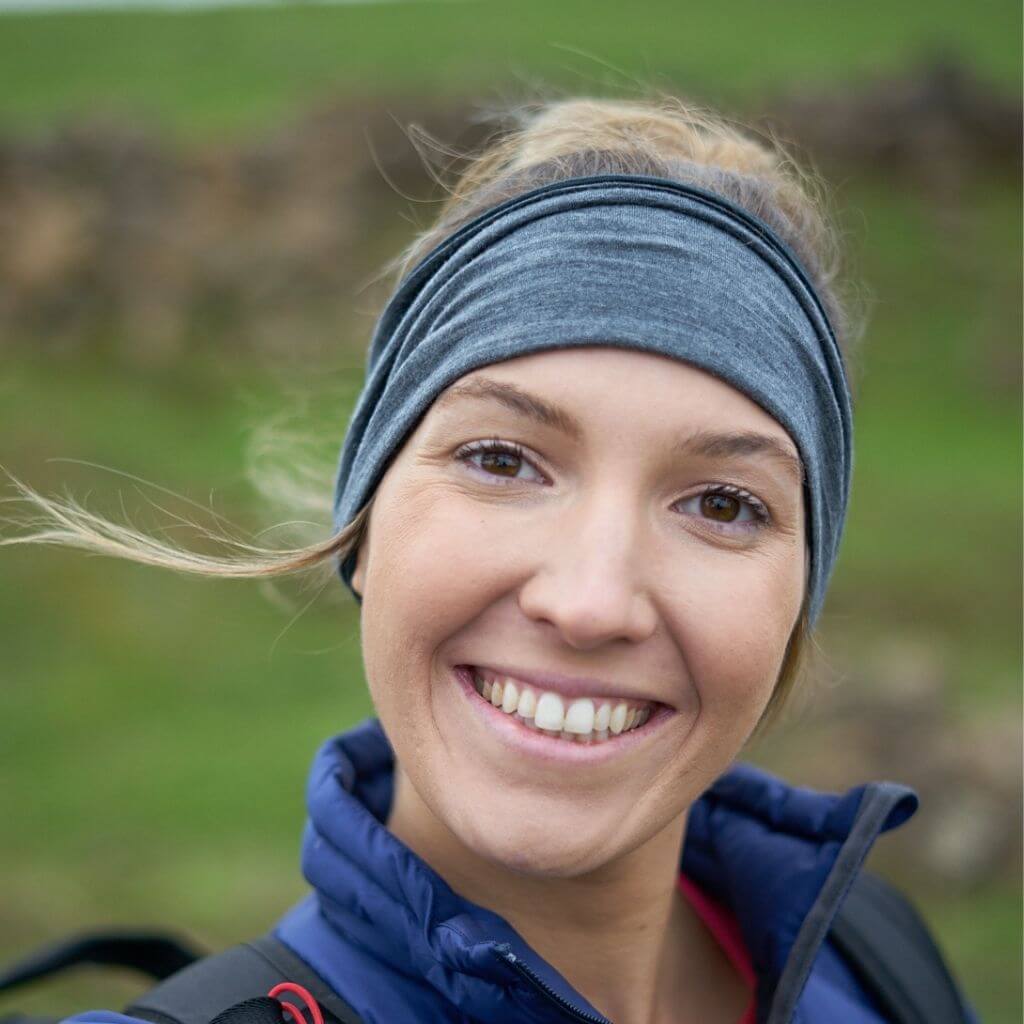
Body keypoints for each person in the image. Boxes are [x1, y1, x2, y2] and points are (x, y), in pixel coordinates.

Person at [2, 94, 978, 1024]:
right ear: (366, 520)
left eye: (721, 504)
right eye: (501, 459)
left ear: (800, 594)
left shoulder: (872, 958)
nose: (591, 602)